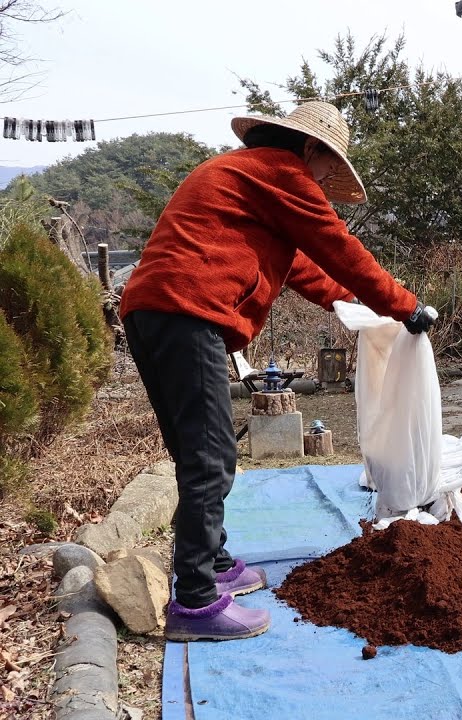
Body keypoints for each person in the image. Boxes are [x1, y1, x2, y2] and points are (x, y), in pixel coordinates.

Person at [119, 102, 435, 642]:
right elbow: (340, 248)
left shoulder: (249, 181)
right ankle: (194, 602)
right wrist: (406, 306)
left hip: (155, 313)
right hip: (184, 312)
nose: (320, 181)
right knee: (211, 457)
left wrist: (364, 310)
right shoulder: (280, 172)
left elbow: (309, 270)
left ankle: (214, 563)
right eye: (324, 169)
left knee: (196, 450)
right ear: (309, 149)